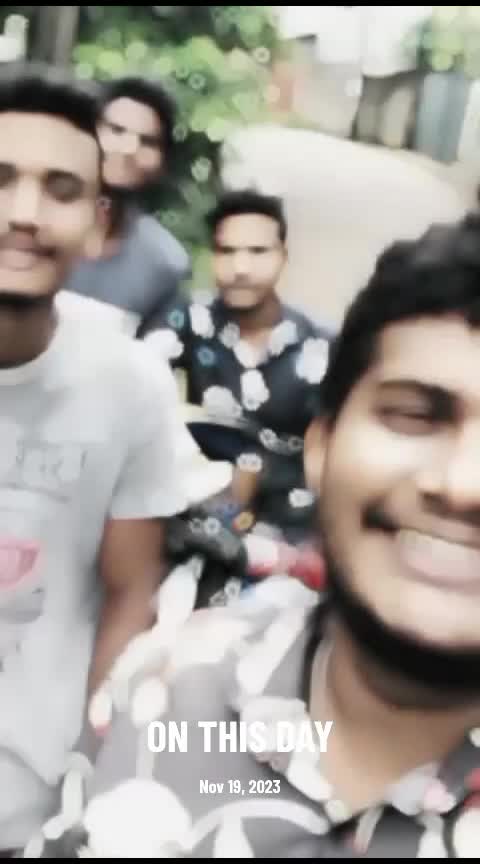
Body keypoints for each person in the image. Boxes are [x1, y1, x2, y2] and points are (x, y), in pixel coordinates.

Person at [30, 211, 480, 858]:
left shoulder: (310, 345)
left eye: (257, 251)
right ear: (323, 445)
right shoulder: (170, 687)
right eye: (414, 416)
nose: (464, 484)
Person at [0, 62, 192, 855]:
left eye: (61, 190)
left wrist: (90, 763)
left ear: (96, 219)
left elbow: (129, 593)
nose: (24, 214)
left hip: (28, 806)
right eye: (1, 180)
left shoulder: (130, 384)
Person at [153, 188, 334, 543]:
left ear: (283, 256)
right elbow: (135, 388)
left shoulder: (320, 345)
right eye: (226, 251)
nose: (240, 268)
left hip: (289, 532)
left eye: (258, 251)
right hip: (197, 525)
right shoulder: (188, 321)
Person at [58, 74, 190, 338]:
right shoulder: (27, 222)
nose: (130, 148)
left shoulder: (163, 262)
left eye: (148, 141)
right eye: (116, 130)